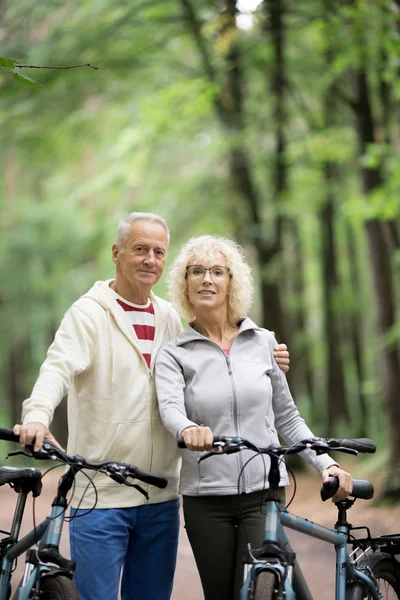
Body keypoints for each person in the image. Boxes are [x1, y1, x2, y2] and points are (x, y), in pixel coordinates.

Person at [13, 213, 290, 600]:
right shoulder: (88, 314)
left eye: (158, 252)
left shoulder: (168, 319)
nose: (150, 260)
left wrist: (267, 351)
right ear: (117, 253)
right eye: (140, 249)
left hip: (160, 496)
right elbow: (56, 369)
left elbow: (215, 357)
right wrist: (37, 416)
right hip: (100, 495)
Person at [155, 234, 353, 600]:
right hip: (205, 497)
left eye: (217, 271)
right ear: (185, 283)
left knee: (276, 583)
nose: (207, 279)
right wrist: (188, 429)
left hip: (264, 490)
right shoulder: (174, 354)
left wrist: (325, 464)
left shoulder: (263, 343)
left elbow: (288, 419)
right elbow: (170, 410)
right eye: (196, 271)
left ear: (233, 282)